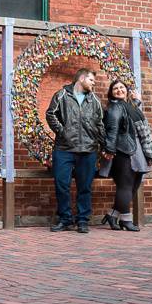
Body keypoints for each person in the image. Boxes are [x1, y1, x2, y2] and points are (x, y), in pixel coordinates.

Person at [45, 68, 105, 234]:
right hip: (64, 148)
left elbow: (100, 124)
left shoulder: (95, 100)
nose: (94, 84)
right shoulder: (62, 95)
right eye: (92, 80)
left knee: (85, 187)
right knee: (61, 184)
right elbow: (50, 114)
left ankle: (83, 221)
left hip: (88, 149)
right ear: (82, 78)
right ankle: (65, 219)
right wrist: (62, 131)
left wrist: (104, 145)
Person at [99, 80, 152, 231]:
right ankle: (125, 219)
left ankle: (112, 215)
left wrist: (136, 100)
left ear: (127, 90)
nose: (119, 90)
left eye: (122, 87)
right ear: (111, 93)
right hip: (123, 150)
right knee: (125, 186)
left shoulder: (129, 106)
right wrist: (110, 150)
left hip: (136, 149)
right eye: (115, 88)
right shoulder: (115, 107)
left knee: (134, 185)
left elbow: (131, 118)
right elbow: (112, 130)